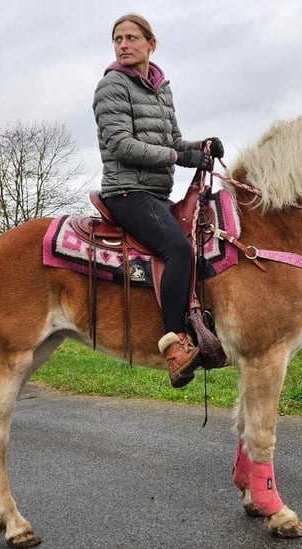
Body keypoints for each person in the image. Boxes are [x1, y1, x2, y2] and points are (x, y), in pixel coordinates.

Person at [93, 13, 224, 388]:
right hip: (126, 191)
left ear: (151, 43)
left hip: (155, 193)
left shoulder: (161, 88)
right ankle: (174, 345)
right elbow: (120, 145)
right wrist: (177, 157)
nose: (123, 45)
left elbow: (173, 142)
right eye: (117, 39)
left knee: (201, 239)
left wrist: (200, 147)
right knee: (177, 250)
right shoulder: (112, 86)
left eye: (132, 38)